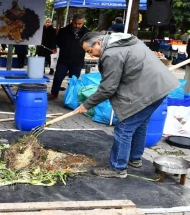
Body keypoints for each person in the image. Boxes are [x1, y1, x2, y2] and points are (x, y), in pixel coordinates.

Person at [76, 32, 179, 178]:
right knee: (141, 124)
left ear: (98, 43)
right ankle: (135, 159)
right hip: (159, 87)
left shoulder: (111, 54)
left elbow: (108, 88)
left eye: (90, 51)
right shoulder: (124, 40)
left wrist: (86, 105)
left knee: (124, 128)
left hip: (150, 89)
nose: (91, 55)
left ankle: (118, 167)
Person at [49, 14, 90, 99]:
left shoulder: (87, 33)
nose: (77, 26)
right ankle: (54, 93)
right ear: (72, 21)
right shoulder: (64, 31)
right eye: (75, 23)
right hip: (64, 59)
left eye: (80, 24)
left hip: (77, 60)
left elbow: (89, 45)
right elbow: (57, 41)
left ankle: (70, 96)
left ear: (83, 23)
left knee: (73, 80)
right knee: (58, 77)